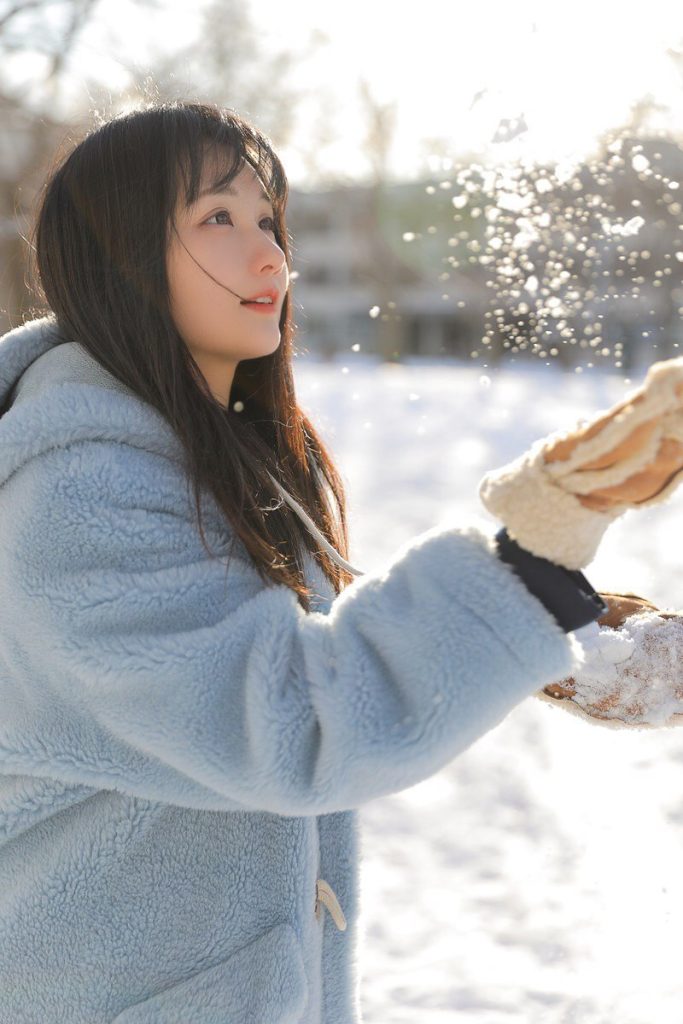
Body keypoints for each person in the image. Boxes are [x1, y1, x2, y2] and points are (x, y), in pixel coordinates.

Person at [0, 100, 681, 1024]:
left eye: (268, 219)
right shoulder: (78, 493)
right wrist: (538, 548)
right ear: (119, 254)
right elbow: (294, 724)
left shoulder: (204, 454)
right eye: (217, 217)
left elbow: (287, 648)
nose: (270, 257)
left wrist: (572, 635)